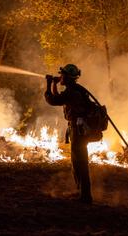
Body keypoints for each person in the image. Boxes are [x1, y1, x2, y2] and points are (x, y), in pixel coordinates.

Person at [44, 64, 93, 204]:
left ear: (68, 77)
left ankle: (85, 196)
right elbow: (58, 98)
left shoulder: (72, 92)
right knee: (76, 162)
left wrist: (48, 85)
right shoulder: (73, 90)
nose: (60, 77)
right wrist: (54, 84)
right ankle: (81, 193)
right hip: (77, 129)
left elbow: (53, 100)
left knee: (80, 163)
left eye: (62, 75)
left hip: (79, 130)